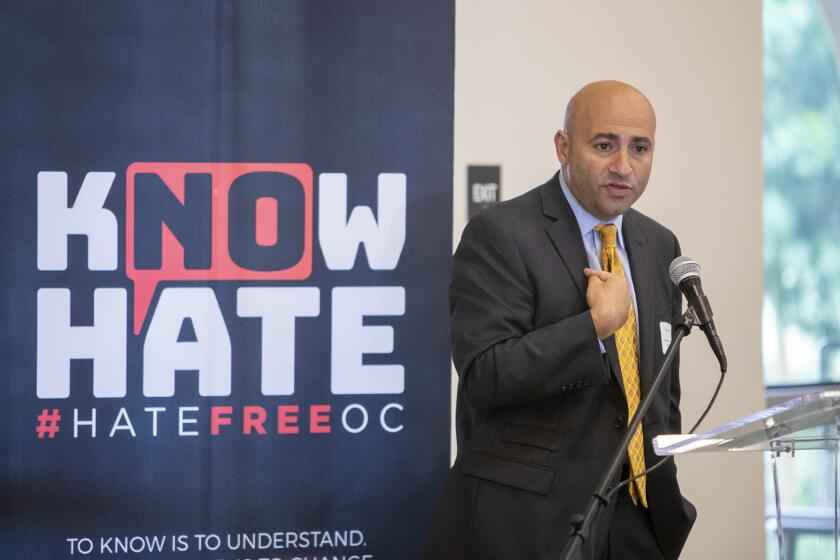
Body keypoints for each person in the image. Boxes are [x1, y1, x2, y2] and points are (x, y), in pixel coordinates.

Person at [422, 81, 696, 560]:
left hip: (639, 519)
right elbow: (485, 374)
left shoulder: (660, 245)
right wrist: (592, 328)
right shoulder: (501, 234)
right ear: (563, 147)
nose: (623, 166)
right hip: (529, 525)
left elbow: (661, 392)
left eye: (640, 148)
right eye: (604, 145)